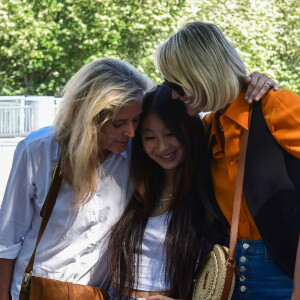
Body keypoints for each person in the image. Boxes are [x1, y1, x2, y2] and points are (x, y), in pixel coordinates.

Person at [154, 21, 300, 299]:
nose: (173, 93)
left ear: (203, 73)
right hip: (230, 280)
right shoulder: (209, 127)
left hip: (286, 279)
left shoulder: (276, 107)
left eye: (176, 83)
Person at [0, 58, 153, 300]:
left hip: (94, 294)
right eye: (118, 123)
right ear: (89, 119)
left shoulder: (135, 154)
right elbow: (7, 237)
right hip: (36, 291)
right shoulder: (39, 150)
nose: (131, 132)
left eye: (136, 120)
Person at [108, 84, 207, 300]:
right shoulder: (134, 184)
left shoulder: (207, 194)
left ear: (188, 131)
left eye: (170, 134)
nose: (162, 147)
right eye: (150, 138)